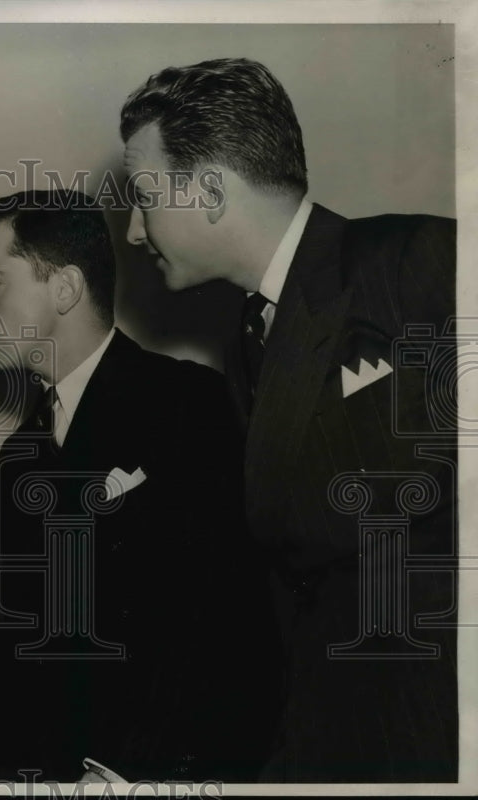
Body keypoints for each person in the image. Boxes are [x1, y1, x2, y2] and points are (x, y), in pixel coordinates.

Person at [119, 58, 457, 782]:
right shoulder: (250, 335)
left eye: (144, 199)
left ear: (209, 191)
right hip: (326, 734)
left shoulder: (417, 261)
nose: (133, 232)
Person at [0, 189, 282, 782]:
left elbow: (217, 628)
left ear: (64, 288)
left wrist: (121, 772)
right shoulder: (20, 458)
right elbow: (21, 659)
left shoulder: (190, 403)